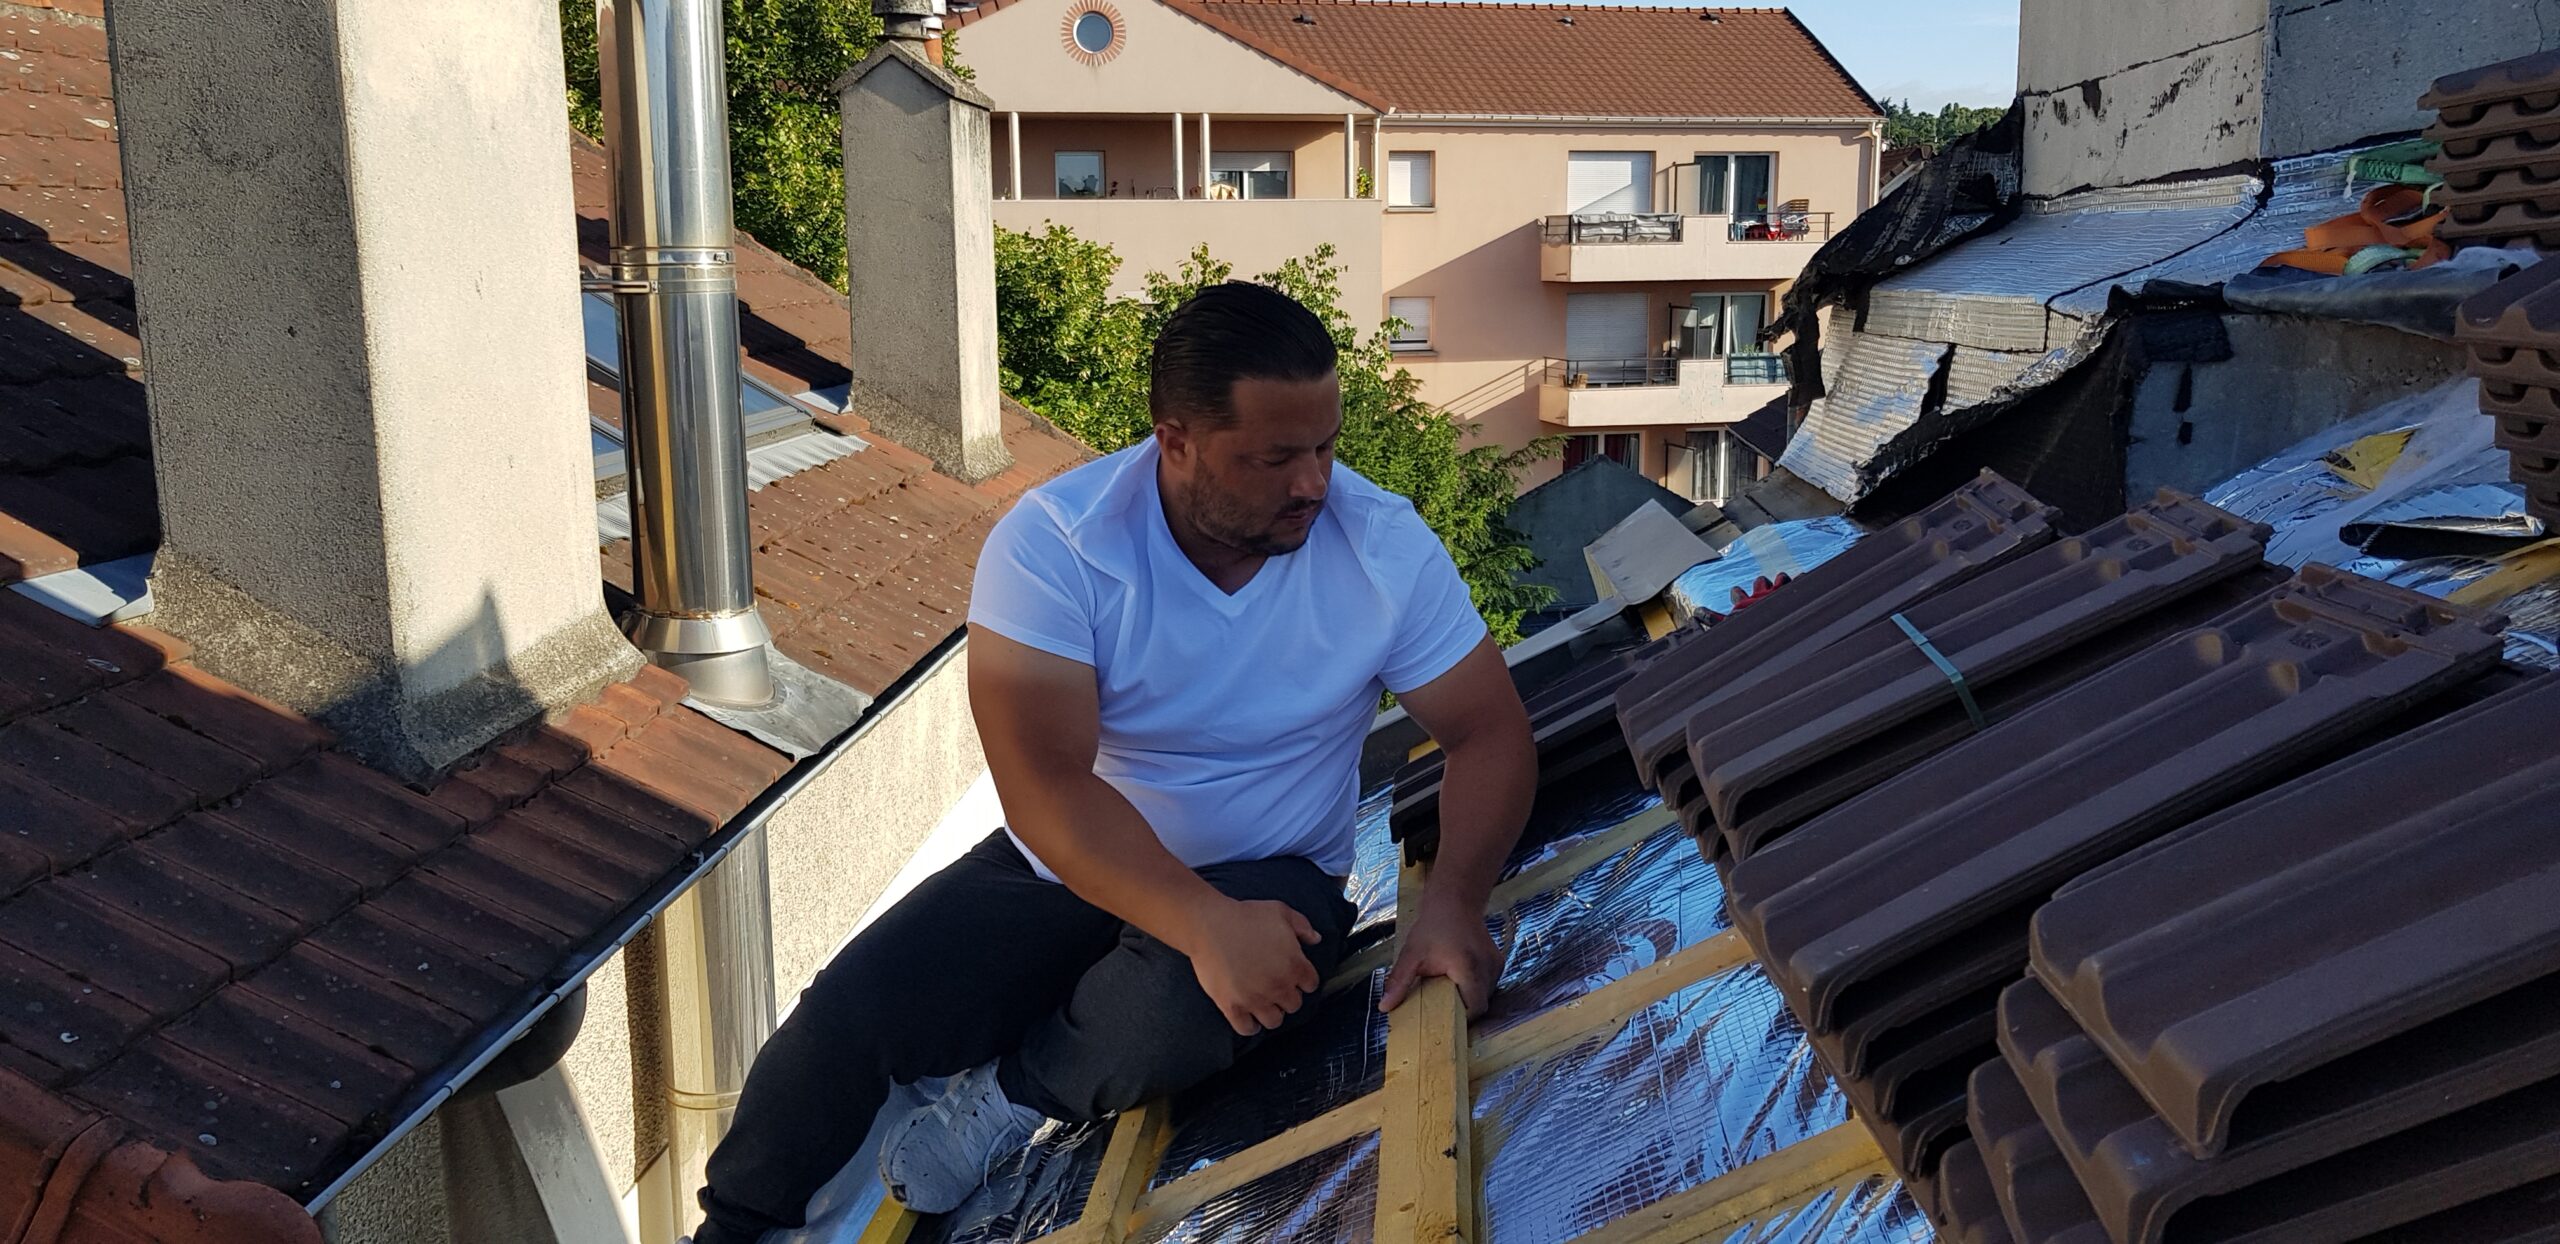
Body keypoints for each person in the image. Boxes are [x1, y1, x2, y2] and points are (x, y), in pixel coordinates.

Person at [688, 281, 1537, 1242]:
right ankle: (730, 1231)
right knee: (847, 1016)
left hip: (1270, 875)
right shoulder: (1060, 545)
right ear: (1175, 441)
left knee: (1191, 1003)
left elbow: (1488, 732)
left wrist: (1453, 902)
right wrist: (1195, 919)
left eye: (1325, 448)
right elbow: (1045, 786)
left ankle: (1012, 1097)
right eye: (1275, 458)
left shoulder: (1380, 547)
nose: (1313, 483)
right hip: (1070, 864)